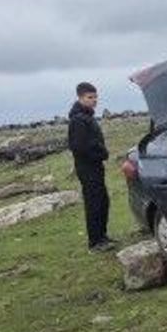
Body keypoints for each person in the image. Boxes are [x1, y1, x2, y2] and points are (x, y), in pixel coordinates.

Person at [68, 82, 114, 251]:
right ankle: (95, 242)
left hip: (95, 166)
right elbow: (79, 147)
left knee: (103, 201)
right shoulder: (78, 120)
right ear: (80, 98)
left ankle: (102, 236)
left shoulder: (87, 116)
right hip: (87, 168)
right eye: (90, 97)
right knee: (94, 203)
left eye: (95, 97)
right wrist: (101, 153)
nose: (94, 100)